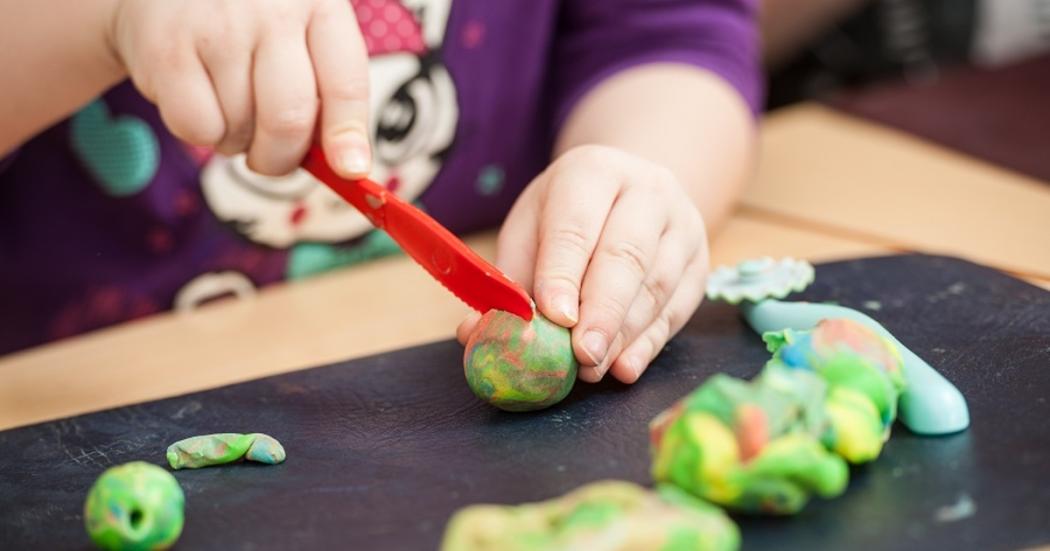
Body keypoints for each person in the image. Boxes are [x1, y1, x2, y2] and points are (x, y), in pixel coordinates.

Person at [0, 0, 760, 384]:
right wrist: (103, 19)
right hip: (66, 394)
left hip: (399, 384)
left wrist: (635, 173)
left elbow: (667, 35)